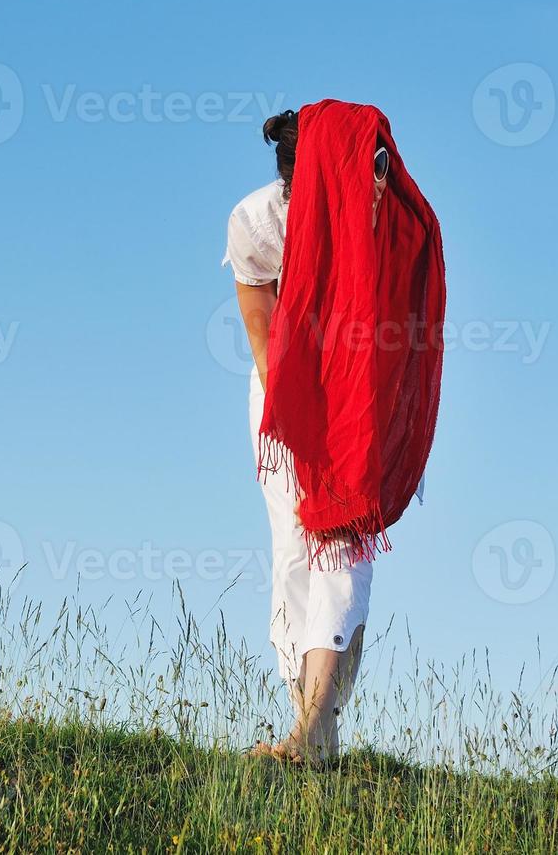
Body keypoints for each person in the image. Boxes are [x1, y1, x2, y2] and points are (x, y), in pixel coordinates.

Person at [224, 108, 399, 766]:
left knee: (346, 546)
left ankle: (315, 730)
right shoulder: (257, 221)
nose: (378, 180)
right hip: (286, 395)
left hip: (362, 393)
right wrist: (298, 417)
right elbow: (261, 327)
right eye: (364, 170)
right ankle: (309, 723)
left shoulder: (388, 215)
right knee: (295, 546)